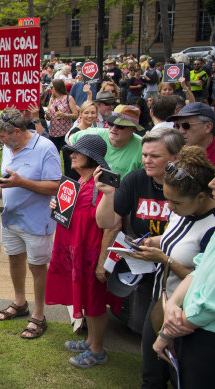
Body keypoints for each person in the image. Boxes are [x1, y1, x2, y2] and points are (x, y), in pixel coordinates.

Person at [121, 146, 215, 388]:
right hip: (161, 302)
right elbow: (173, 238)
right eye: (167, 199)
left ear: (202, 197)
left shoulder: (211, 228)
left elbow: (202, 278)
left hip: (186, 318)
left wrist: (165, 260)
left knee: (181, 378)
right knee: (151, 375)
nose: (170, 208)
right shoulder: (181, 210)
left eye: (176, 202)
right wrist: (153, 241)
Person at [95, 127, 185, 335]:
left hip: (178, 270)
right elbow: (106, 222)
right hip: (145, 269)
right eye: (144, 155)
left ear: (176, 158)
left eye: (155, 156)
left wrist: (160, 244)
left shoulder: (189, 186)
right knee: (147, 329)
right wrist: (108, 195)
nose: (147, 160)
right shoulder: (135, 180)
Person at [0, 108, 61, 339]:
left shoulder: (46, 148)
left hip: (37, 221)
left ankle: (39, 314)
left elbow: (55, 185)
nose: (0, 140)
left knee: (37, 267)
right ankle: (20, 302)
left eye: (3, 136)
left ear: (17, 131)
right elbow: (9, 178)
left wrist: (22, 182)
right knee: (15, 259)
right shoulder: (9, 147)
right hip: (11, 217)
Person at [46, 135, 121, 368]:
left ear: (93, 157)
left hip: (92, 252)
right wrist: (58, 204)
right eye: (71, 151)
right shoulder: (80, 180)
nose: (72, 155)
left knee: (95, 300)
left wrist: (102, 262)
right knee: (87, 299)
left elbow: (113, 224)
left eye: (77, 152)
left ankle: (98, 350)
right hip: (76, 249)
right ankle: (90, 341)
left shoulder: (103, 184)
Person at [152, 177, 215, 387]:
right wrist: (171, 304)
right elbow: (200, 267)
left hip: (205, 334)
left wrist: (167, 331)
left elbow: (209, 304)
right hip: (187, 322)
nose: (212, 184)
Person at [71, 105, 144, 179]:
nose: (113, 128)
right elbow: (72, 137)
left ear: (133, 129)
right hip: (94, 187)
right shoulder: (97, 134)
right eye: (111, 123)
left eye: (120, 126)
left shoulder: (143, 148)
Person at [46, 79, 79, 174]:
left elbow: (76, 114)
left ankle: (68, 179)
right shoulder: (52, 99)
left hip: (65, 133)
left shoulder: (69, 98)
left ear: (57, 87)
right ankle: (54, 177)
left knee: (67, 159)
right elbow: (48, 117)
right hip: (53, 133)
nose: (50, 89)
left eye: (51, 87)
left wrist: (65, 115)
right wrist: (47, 114)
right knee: (53, 158)